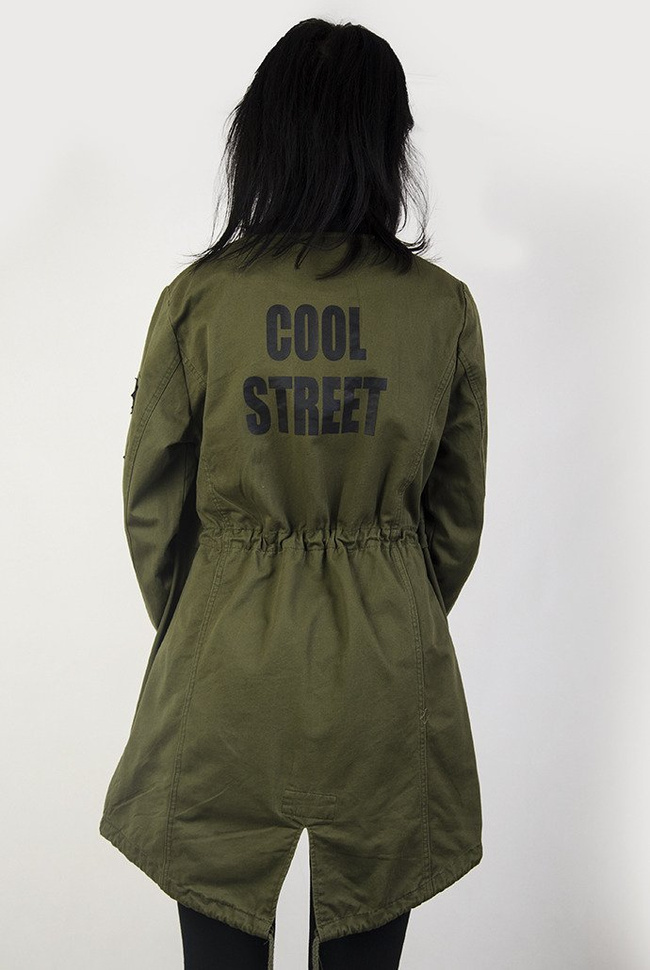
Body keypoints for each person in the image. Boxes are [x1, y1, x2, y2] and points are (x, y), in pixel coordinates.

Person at [99, 17, 488, 970]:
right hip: (385, 668)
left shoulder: (200, 300)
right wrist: (391, 601)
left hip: (226, 663)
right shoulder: (440, 307)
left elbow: (152, 505)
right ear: (388, 143)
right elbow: (455, 516)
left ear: (262, 136)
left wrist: (207, 613)